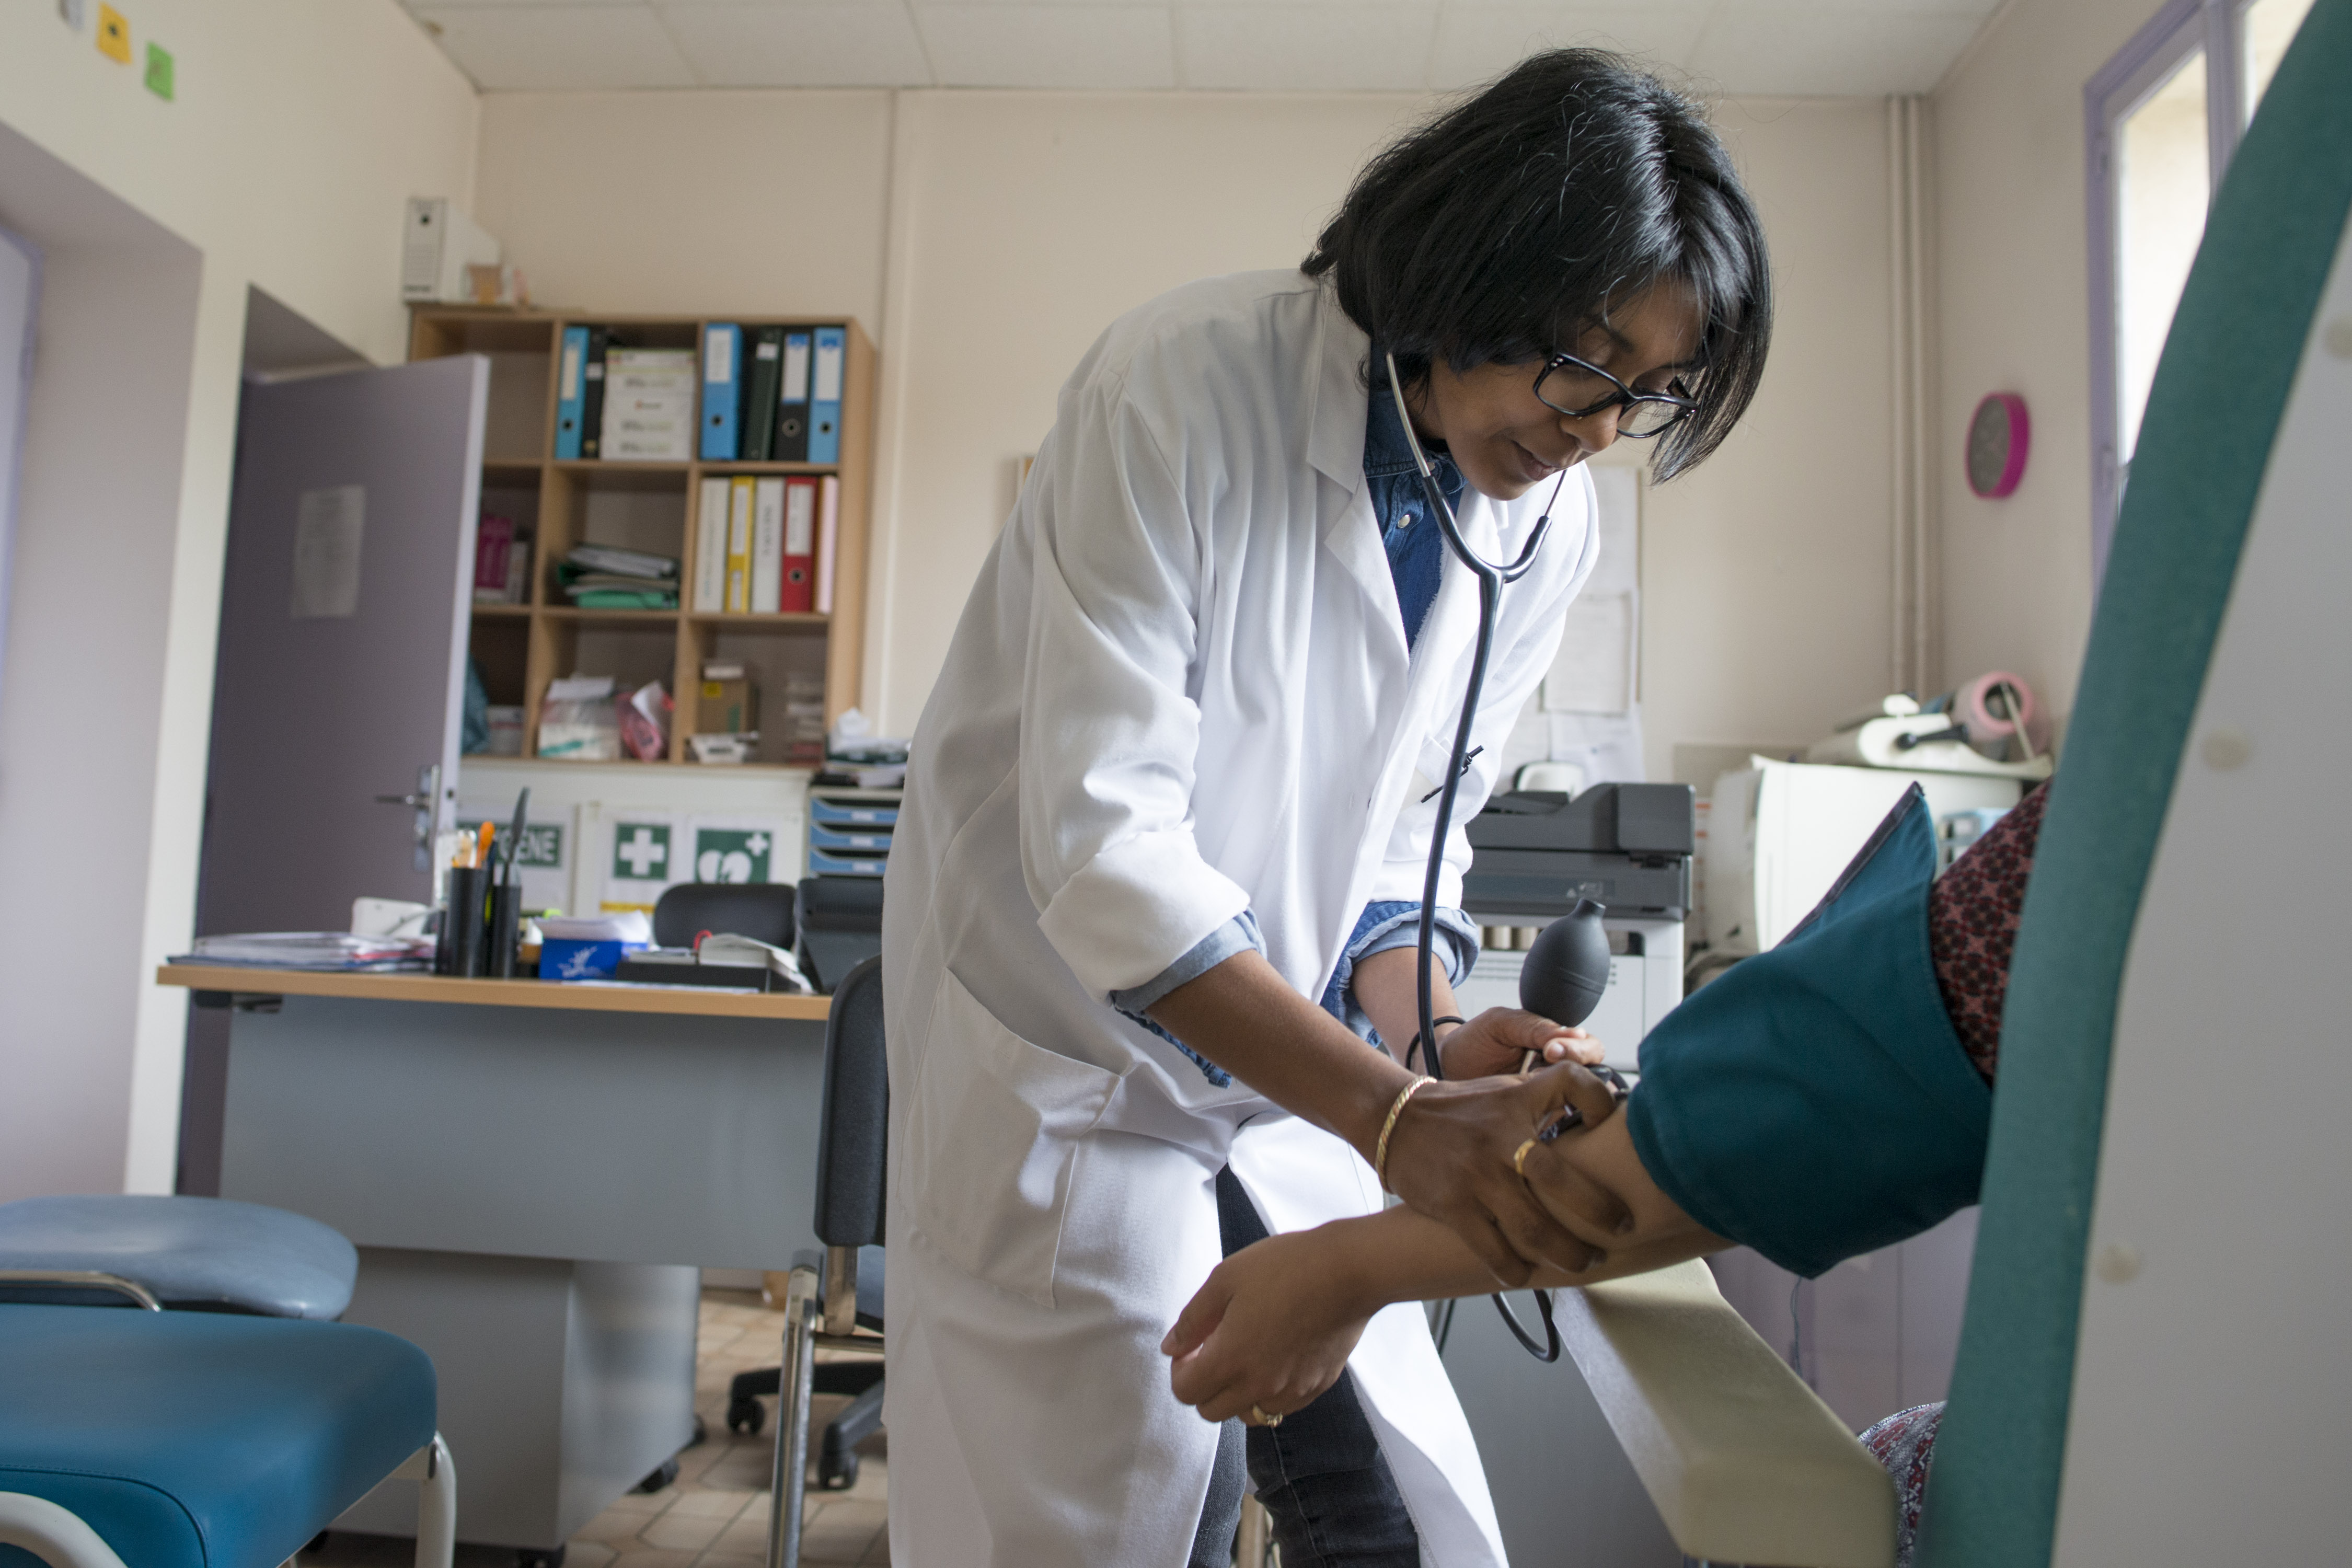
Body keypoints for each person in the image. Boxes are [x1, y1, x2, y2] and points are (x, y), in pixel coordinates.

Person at [881, 47, 1772, 1568]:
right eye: (1584, 364)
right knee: (1097, 1521)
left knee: (1400, 1520)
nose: (1594, 435)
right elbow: (1108, 855)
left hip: (1291, 1085)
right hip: (1065, 1077)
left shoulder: (1538, 526)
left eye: (1650, 395)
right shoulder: (1180, 383)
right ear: (1469, 266)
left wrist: (1426, 1033)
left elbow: (1397, 846)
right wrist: (1398, 1108)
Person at [1162, 783, 2053, 1567]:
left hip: (1307, 1136)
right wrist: (1395, 1132)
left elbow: (1390, 857)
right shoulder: (2081, 870)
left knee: (1367, 1513)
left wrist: (1423, 1082)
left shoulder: (2071, 881)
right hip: (1116, 1122)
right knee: (1179, 1499)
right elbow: (1112, 865)